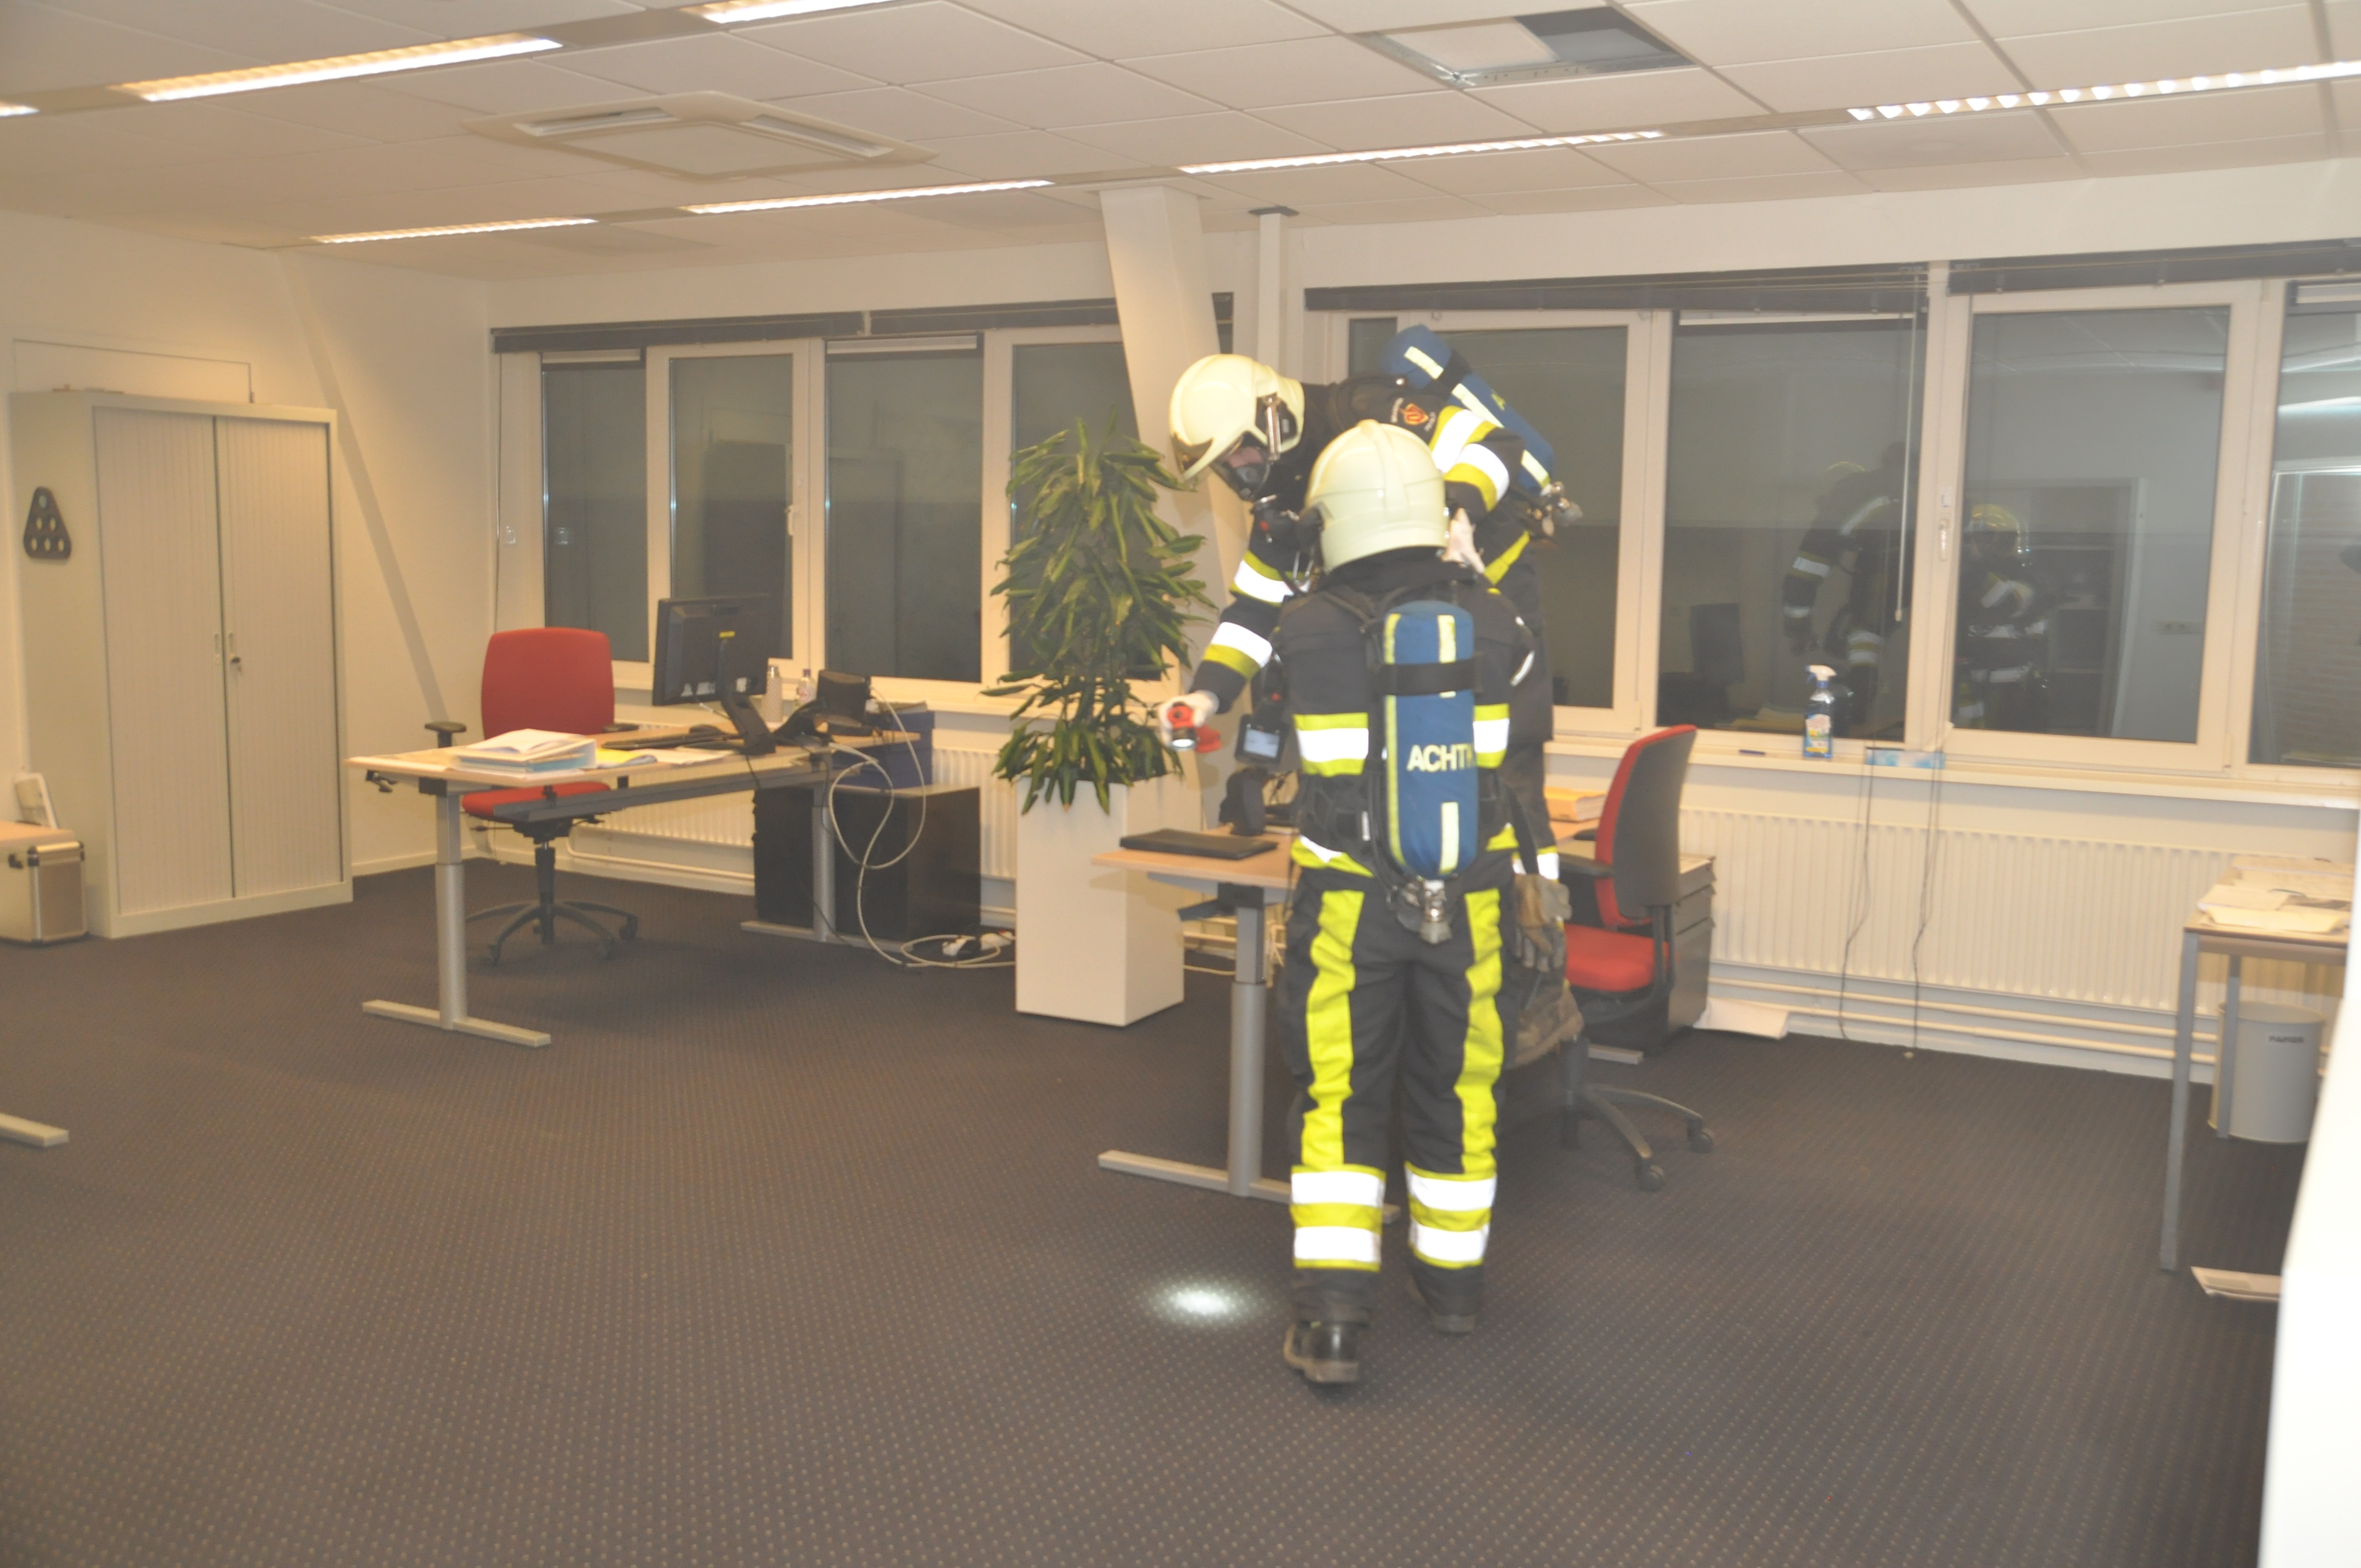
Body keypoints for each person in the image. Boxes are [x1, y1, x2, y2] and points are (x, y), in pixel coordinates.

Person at [1191, 421, 1557, 1386]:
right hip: (1470, 903)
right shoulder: (1500, 623)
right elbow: (1523, 754)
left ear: (1336, 518)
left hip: (1350, 904)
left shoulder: (1304, 625)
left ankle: (1332, 1322)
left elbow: (1267, 730)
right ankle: (1454, 1291)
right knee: (1460, 1089)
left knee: (1340, 1098)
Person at [1161, 353, 1560, 879]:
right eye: (1224, 466)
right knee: (1396, 783)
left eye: (1239, 452)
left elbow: (1496, 445)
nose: (1238, 473)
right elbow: (1255, 610)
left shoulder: (1364, 410)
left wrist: (1458, 510)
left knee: (1505, 778)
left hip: (1490, 607)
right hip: (1401, 633)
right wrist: (1206, 695)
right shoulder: (1283, 501)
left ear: (1273, 417)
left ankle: (1535, 912)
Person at [1780, 443, 1911, 734]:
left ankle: (1857, 709)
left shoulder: (1851, 499)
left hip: (1891, 596)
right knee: (1861, 633)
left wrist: (1798, 630)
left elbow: (1805, 572)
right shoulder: (1920, 497)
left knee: (1859, 633)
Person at [1952, 503, 2052, 731]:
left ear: (2008, 541)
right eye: (1972, 539)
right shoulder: (1966, 578)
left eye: (1986, 538)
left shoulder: (2029, 578)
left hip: (2011, 687)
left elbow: (2008, 603)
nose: (1977, 545)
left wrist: (1974, 565)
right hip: (1969, 680)